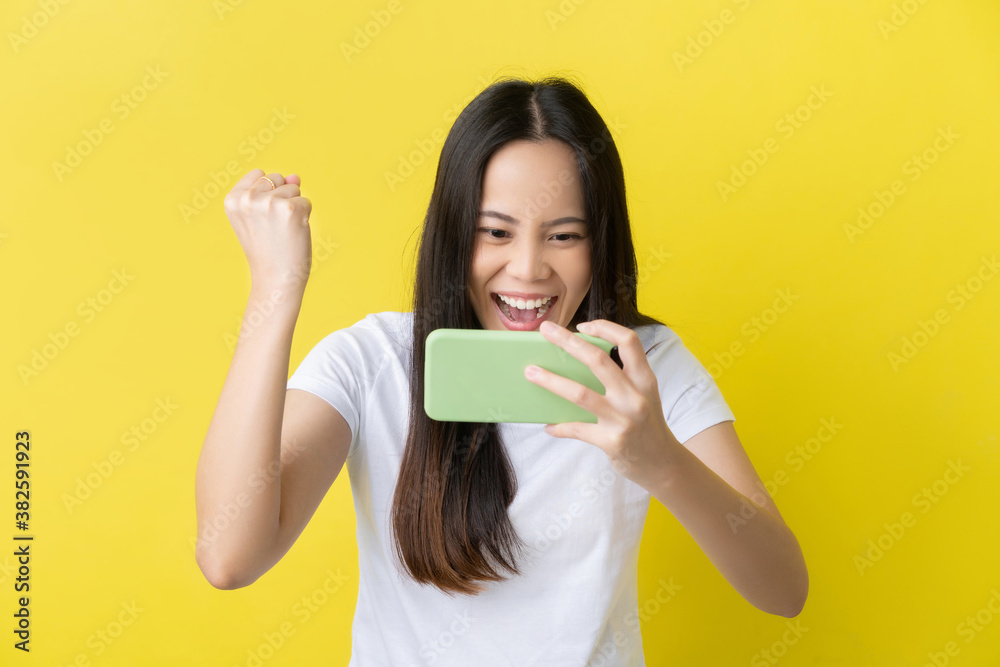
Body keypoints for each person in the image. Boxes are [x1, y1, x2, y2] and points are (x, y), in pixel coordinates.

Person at [195, 76, 808, 666]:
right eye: (495, 232)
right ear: (455, 232)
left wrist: (661, 459)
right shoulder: (371, 360)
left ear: (602, 243)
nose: (527, 268)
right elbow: (229, 556)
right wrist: (275, 290)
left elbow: (783, 590)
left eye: (564, 236)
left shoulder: (643, 367)